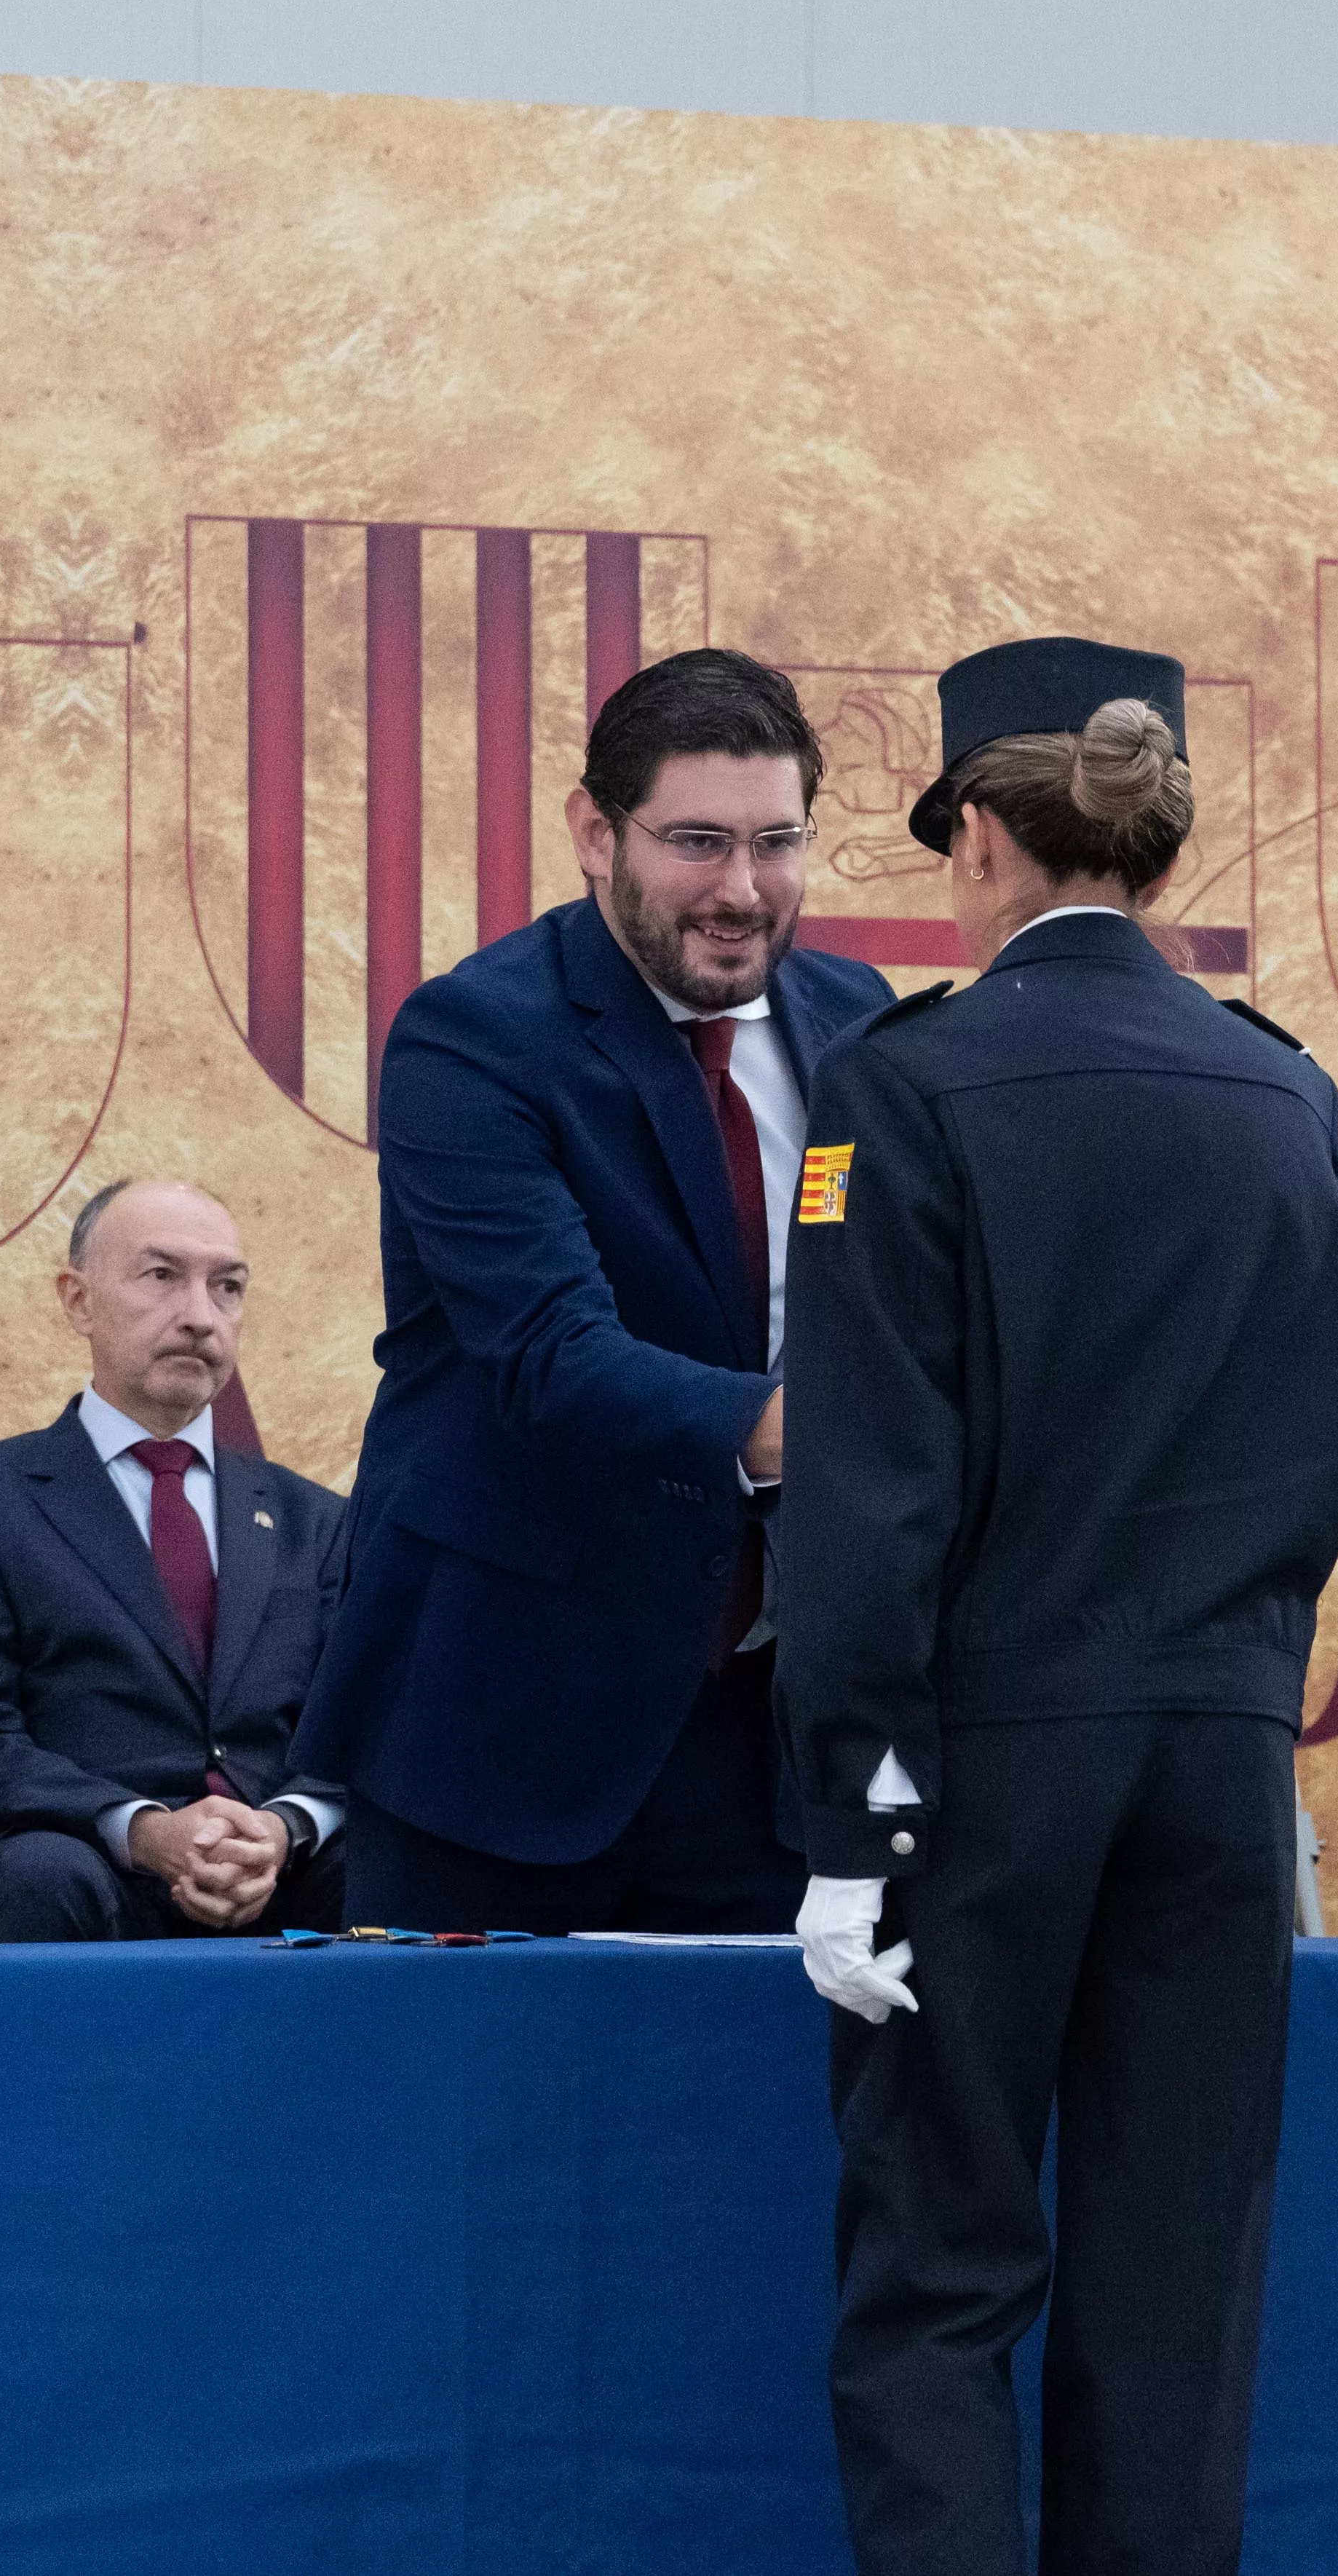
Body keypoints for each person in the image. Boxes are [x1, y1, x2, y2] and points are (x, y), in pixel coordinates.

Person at [777, 636, 1338, 2576]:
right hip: (1218, 1758)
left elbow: (869, 1488)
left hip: (985, 1768)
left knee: (939, 2269)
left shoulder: (903, 1082)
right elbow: (1328, 1437)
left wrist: (856, 1811)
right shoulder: (1279, 1089)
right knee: (1177, 2282)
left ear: (975, 835)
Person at [290, 648, 892, 1935]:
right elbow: (550, 1353)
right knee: (475, 2073)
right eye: (697, 842)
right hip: (502, 1728)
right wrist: (869, 1434)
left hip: (776, 1741)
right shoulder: (472, 1035)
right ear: (591, 831)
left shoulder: (857, 1022)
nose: (741, 890)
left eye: (776, 843)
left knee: (753, 2073)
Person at [0, 1179, 352, 1940]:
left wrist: (284, 1828)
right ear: (78, 1301)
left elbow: (359, 1733)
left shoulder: (317, 1521)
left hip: (275, 1869)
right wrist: (143, 1830)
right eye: (162, 1275)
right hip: (74, 1856)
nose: (199, 1315)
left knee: (398, 1864)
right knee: (40, 1873)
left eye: (227, 1287)